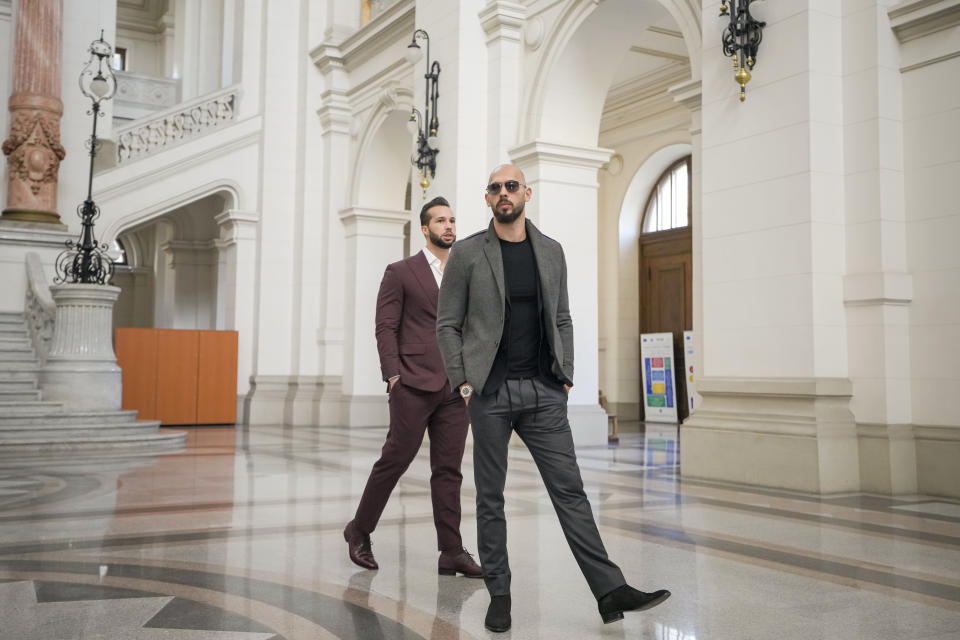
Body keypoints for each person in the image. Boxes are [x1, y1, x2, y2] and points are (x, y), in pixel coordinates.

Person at [436, 165, 671, 632]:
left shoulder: (550, 251)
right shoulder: (466, 254)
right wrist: (464, 382)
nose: (503, 194)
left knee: (571, 493)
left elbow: (562, 317)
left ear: (527, 192)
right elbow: (448, 324)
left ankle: (609, 590)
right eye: (495, 189)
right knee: (490, 497)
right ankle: (499, 593)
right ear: (488, 200)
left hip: (543, 390)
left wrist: (565, 375)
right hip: (490, 392)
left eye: (511, 187)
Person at [343, 196, 481, 579]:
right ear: (425, 229)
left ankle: (451, 551)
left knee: (449, 470)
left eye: (452, 220)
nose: (449, 226)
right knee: (395, 459)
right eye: (440, 221)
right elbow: (385, 326)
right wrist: (393, 376)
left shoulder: (464, 272)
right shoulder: (401, 271)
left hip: (455, 387)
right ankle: (360, 530)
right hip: (413, 383)